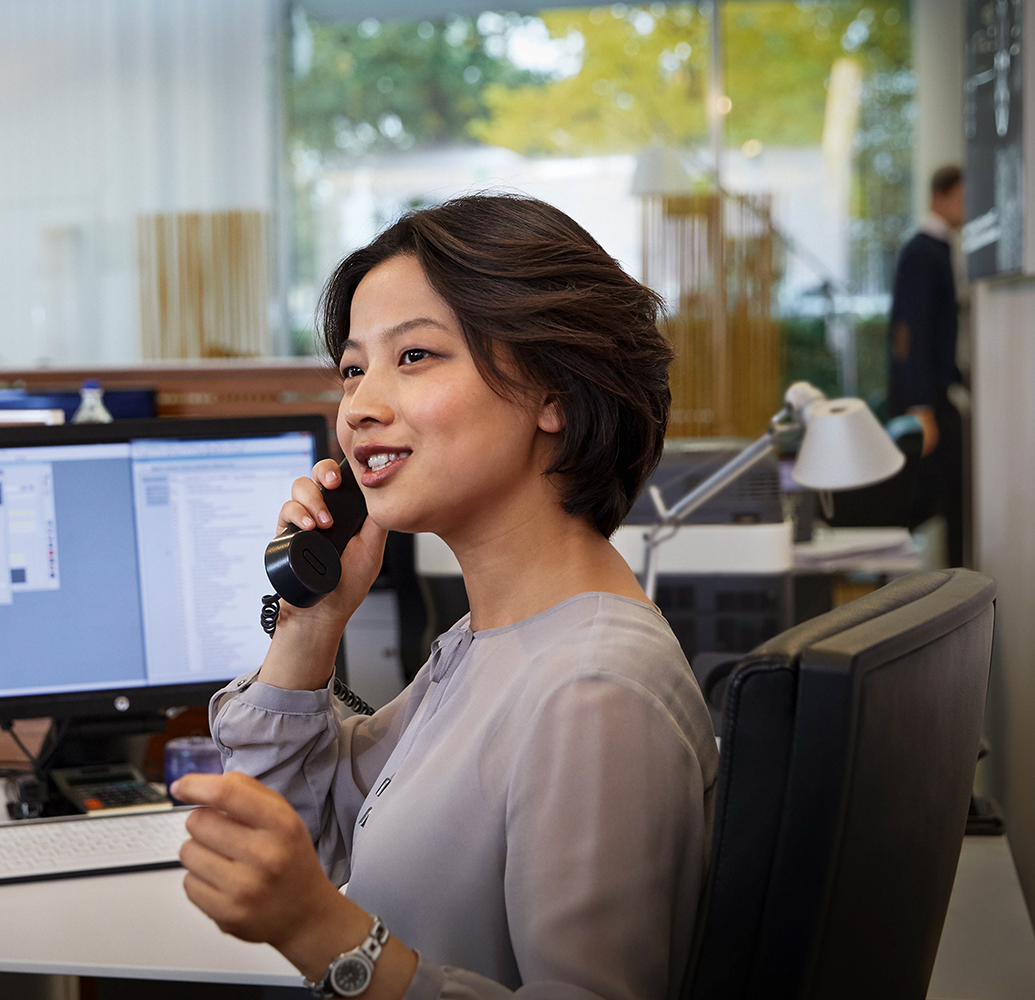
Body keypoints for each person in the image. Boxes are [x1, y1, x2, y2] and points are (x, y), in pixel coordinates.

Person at [171, 195, 718, 1000]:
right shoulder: (490, 642)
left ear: (553, 394)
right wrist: (311, 622)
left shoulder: (593, 690)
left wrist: (325, 935)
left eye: (415, 357)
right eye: (354, 368)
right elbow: (282, 835)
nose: (360, 406)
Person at [888, 164, 967, 567]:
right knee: (937, 494)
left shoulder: (936, 249)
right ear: (941, 196)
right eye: (963, 196)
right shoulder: (922, 251)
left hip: (934, 393)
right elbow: (908, 333)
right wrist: (920, 407)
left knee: (948, 492)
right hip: (925, 400)